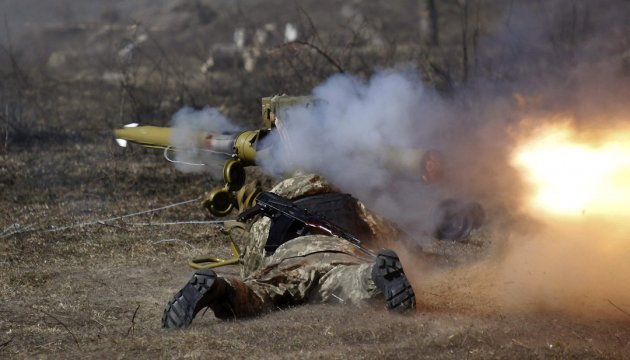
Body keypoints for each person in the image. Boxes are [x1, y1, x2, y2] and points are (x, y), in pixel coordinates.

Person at [161, 173, 416, 329]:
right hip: (339, 254)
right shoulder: (351, 203)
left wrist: (252, 278)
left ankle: (219, 288)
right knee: (351, 282)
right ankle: (375, 276)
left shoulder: (270, 211)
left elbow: (255, 258)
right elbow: (389, 233)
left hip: (286, 259)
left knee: (256, 293)